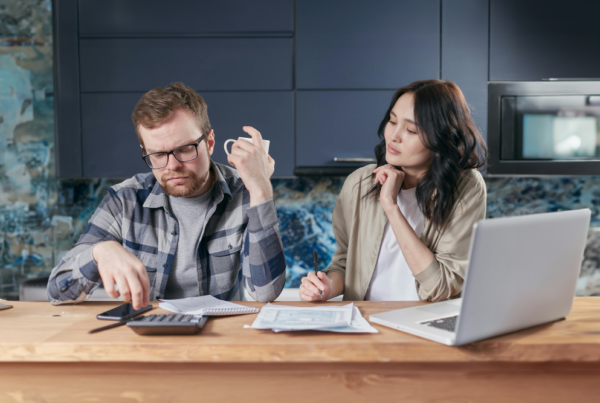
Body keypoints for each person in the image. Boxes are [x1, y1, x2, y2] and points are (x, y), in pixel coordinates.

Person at [48, 82, 286, 308]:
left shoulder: (245, 194)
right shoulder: (125, 200)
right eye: (158, 154)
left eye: (185, 149)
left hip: (219, 341)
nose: (172, 165)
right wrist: (99, 252)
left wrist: (261, 188)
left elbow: (264, 293)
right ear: (145, 152)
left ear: (210, 142)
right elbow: (57, 292)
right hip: (147, 340)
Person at [299, 80, 487, 303]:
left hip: (426, 327)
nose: (393, 136)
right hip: (366, 323)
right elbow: (344, 263)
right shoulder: (360, 183)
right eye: (392, 121)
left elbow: (441, 286)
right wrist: (328, 286)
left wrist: (391, 206)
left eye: (411, 130)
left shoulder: (466, 188)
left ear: (441, 139)